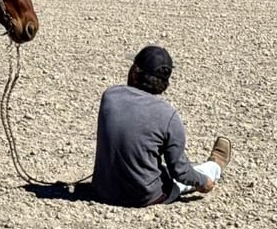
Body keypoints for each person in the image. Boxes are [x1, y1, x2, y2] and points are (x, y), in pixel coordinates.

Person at [92, 45, 231, 207]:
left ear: (135, 73)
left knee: (150, 163)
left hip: (103, 191)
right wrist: (203, 183)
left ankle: (206, 168)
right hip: (144, 196)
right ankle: (215, 167)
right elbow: (180, 171)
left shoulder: (110, 96)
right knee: (190, 176)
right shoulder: (168, 115)